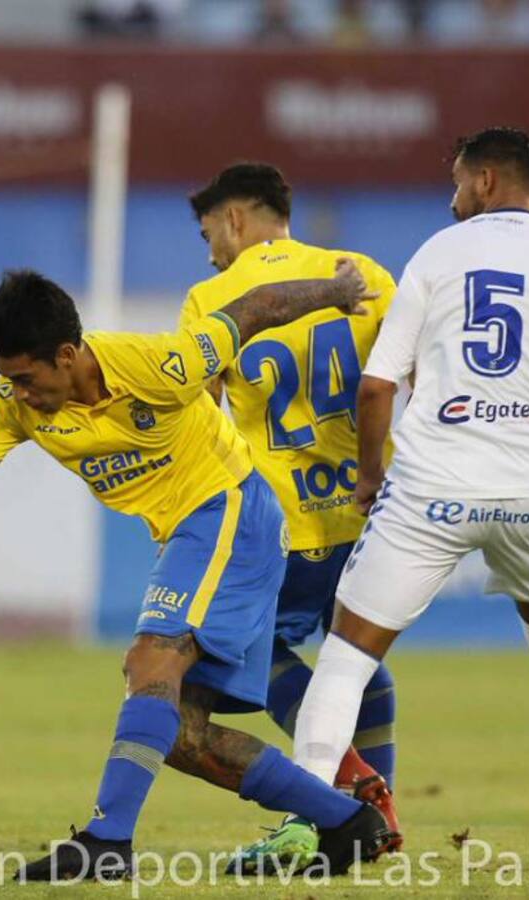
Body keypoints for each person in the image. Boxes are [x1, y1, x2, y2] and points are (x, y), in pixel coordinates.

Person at [0, 262, 394, 881]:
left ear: (67, 355)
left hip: (230, 509)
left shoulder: (158, 364)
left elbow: (253, 307)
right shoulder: (14, 407)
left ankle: (106, 842)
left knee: (151, 661)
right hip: (189, 531)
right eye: (6, 379)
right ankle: (346, 823)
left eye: (24, 377)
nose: (17, 393)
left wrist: (338, 293)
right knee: (181, 737)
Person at [288, 127, 529, 852]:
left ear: (487, 181)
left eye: (459, 183)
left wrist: (369, 479)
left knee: (347, 651)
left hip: (433, 490)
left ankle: (305, 816)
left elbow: (375, 387)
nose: (453, 200)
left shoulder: (438, 252)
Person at [172, 162, 401, 869]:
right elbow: (393, 383)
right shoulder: (364, 273)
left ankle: (334, 798)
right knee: (355, 659)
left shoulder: (211, 295)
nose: (210, 248)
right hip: (368, 516)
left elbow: (199, 416)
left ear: (236, 219)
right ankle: (369, 815)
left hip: (281, 525)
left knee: (230, 665)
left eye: (210, 231)